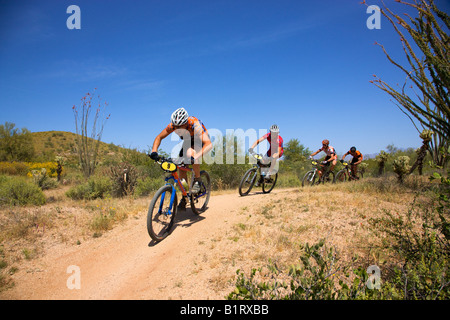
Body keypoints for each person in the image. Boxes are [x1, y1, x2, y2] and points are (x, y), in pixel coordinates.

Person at [150, 107, 212, 209]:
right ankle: (185, 196)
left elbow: (209, 144)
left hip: (201, 140)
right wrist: (154, 151)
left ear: (186, 123)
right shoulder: (172, 126)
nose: (177, 130)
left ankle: (198, 180)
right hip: (188, 141)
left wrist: (195, 156)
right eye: (176, 127)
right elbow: (159, 137)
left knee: (190, 154)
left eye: (180, 127)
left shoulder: (194, 124)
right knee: (181, 167)